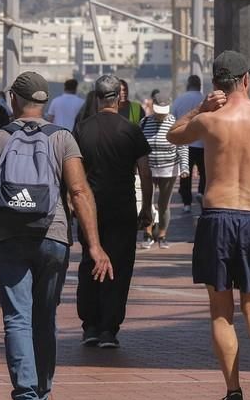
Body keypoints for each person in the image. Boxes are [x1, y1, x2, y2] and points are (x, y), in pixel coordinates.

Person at [0, 71, 113, 400]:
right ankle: (42, 394)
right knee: (44, 318)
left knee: (16, 318)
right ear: (43, 101)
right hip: (53, 237)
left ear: (13, 100)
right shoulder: (62, 139)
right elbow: (79, 192)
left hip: (9, 238)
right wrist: (94, 245)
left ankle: (23, 398)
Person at [167, 50, 250, 400]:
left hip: (219, 216)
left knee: (221, 310)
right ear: (246, 79)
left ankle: (233, 393)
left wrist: (199, 109)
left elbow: (173, 136)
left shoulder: (211, 121)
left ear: (216, 85)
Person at [74, 75, 153, 349]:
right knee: (118, 267)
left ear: (96, 98)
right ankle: (109, 329)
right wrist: (147, 208)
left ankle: (90, 326)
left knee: (89, 262)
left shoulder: (82, 130)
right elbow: (145, 172)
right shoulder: (131, 130)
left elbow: (73, 174)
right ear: (119, 98)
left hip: (90, 209)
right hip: (123, 208)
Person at [139, 95, 189, 249]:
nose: (161, 115)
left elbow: (182, 146)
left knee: (163, 204)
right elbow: (139, 144)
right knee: (147, 202)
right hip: (148, 169)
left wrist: (185, 167)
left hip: (169, 169)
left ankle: (162, 234)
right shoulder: (145, 122)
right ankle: (147, 233)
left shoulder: (174, 123)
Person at [174, 75, 206, 213]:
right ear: (199, 85)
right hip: (203, 143)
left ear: (188, 85)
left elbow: (172, 120)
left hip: (185, 143)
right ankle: (201, 192)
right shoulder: (204, 99)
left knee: (185, 174)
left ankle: (186, 203)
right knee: (205, 172)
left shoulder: (179, 100)